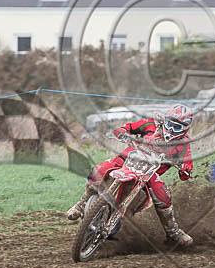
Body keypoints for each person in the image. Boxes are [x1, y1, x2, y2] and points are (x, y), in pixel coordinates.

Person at [66, 104, 194, 246]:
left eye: (176, 127)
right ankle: (81, 204)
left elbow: (187, 166)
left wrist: (185, 169)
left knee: (163, 195)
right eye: (170, 124)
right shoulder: (151, 124)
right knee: (99, 169)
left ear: (184, 129)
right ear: (165, 120)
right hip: (127, 158)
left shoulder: (184, 144)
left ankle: (173, 232)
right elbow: (128, 127)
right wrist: (122, 132)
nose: (170, 129)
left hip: (149, 172)